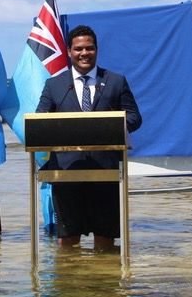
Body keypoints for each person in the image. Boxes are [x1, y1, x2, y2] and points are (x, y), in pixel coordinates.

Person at [36, 25, 142, 249]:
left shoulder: (115, 81)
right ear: (69, 52)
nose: (84, 53)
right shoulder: (54, 85)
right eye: (78, 49)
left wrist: (108, 127)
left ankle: (102, 283)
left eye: (89, 48)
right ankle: (70, 282)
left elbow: (134, 117)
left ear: (96, 50)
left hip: (106, 171)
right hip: (65, 172)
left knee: (105, 240)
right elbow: (40, 120)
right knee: (67, 240)